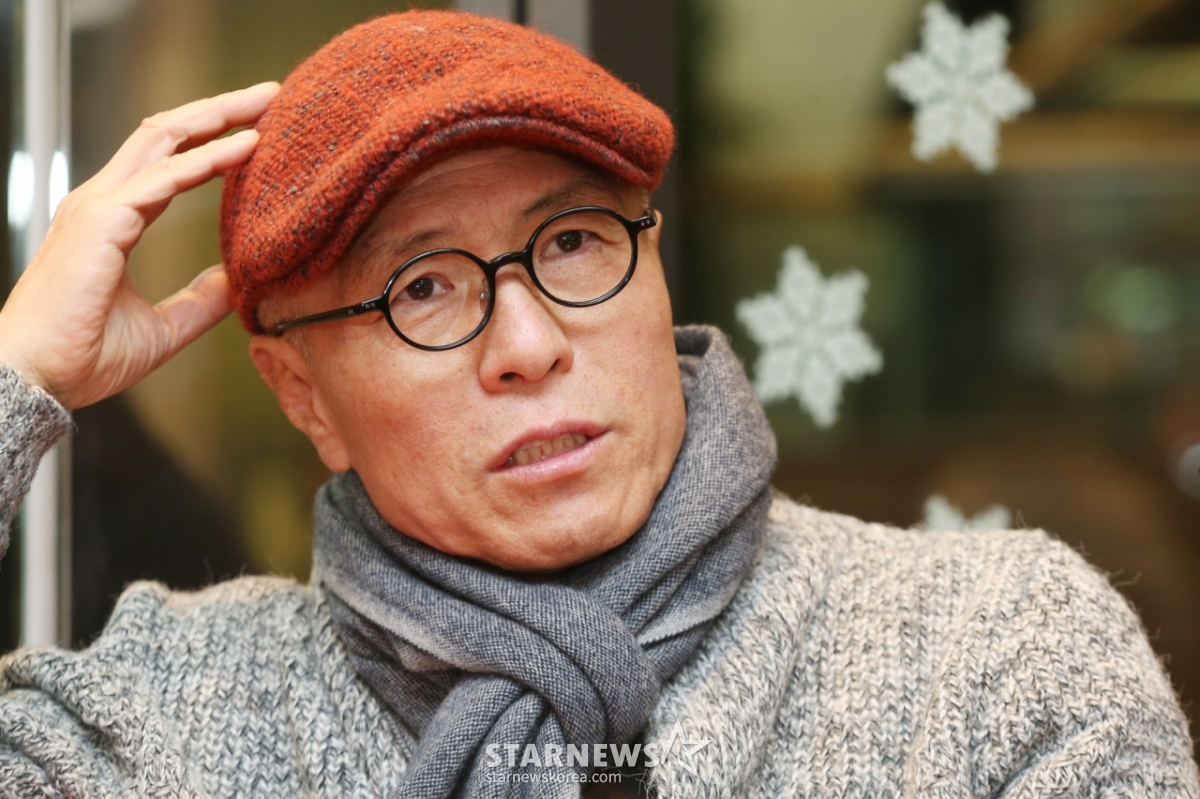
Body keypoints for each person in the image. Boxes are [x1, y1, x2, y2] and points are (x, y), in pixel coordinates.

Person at [0, 10, 1195, 799]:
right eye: (423, 288)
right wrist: (16, 375)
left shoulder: (991, 658)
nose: (528, 345)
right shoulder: (164, 719)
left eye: (571, 241)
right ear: (303, 397)